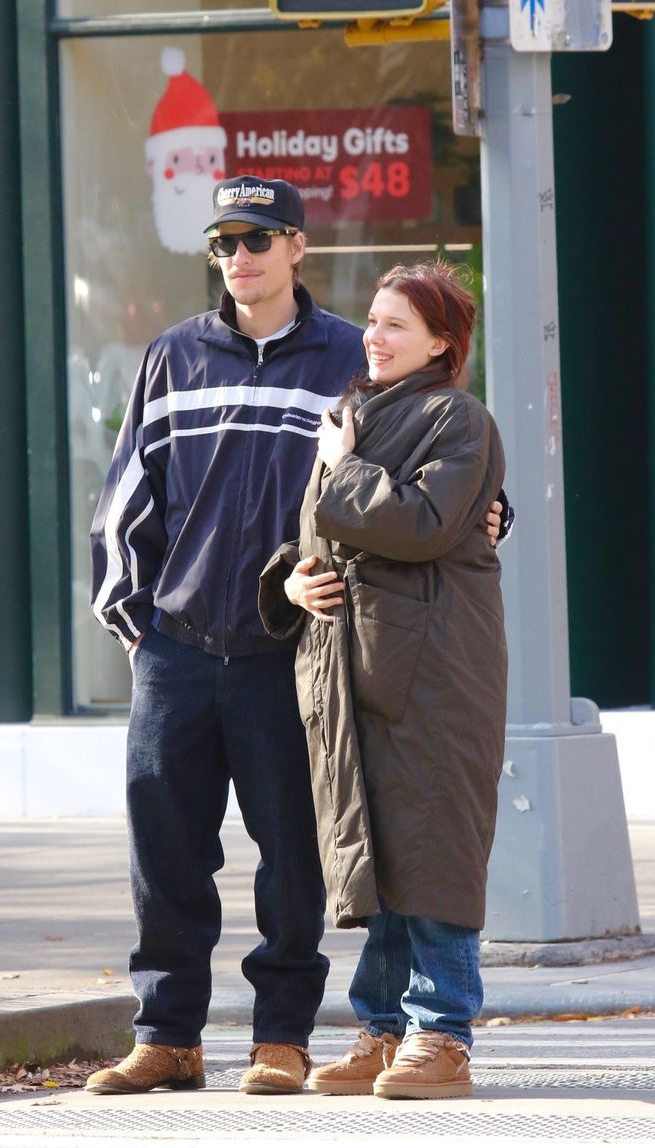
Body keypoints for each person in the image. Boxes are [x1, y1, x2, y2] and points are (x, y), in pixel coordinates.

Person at [88, 175, 505, 1097]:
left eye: (258, 238)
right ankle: (167, 1036)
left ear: (297, 247)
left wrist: (495, 513)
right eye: (224, 242)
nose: (239, 256)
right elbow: (124, 500)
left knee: (296, 861)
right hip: (177, 645)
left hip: (292, 651)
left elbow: (435, 468)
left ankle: (282, 1038)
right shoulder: (172, 355)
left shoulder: (355, 359)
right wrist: (135, 624)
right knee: (166, 852)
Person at [259, 260, 507, 1101]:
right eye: (372, 319)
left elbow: (424, 523)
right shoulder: (354, 417)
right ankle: (384, 1028)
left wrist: (343, 467)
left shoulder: (459, 419)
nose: (374, 335)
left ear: (441, 342)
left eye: (396, 323)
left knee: (433, 851)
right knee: (385, 855)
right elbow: (318, 537)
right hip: (354, 674)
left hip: (434, 676)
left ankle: (442, 1035)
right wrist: (292, 582)